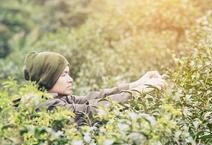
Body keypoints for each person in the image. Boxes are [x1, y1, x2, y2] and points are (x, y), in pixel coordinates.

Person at [23, 51, 167, 126]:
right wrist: (139, 91)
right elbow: (93, 110)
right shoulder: (45, 107)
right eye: (64, 75)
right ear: (48, 77)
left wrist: (137, 83)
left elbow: (92, 98)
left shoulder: (56, 98)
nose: (70, 79)